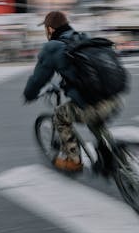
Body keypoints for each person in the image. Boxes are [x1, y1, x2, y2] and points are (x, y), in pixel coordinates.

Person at [23, 11, 122, 172]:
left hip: (93, 107)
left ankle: (73, 160)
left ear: (50, 29)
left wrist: (29, 95)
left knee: (60, 116)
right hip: (115, 99)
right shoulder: (84, 38)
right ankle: (112, 153)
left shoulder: (53, 47)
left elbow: (38, 79)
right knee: (93, 115)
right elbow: (84, 73)